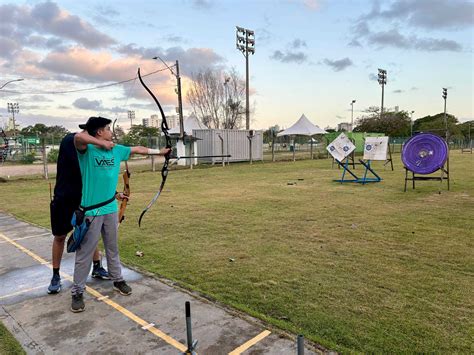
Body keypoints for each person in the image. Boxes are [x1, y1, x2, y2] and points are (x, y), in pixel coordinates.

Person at [71, 116, 170, 312]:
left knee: (112, 247)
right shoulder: (87, 150)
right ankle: (77, 291)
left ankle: (118, 280)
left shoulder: (117, 150)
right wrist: (101, 144)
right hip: (91, 211)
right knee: (85, 253)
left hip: (110, 209)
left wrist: (160, 152)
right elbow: (77, 138)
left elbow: (137, 149)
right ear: (99, 132)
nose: (110, 131)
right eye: (107, 128)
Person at [48, 132, 110, 294]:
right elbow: (78, 138)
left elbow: (98, 178)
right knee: (60, 237)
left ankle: (97, 266)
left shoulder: (90, 151)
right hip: (63, 199)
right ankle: (55, 275)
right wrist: (102, 142)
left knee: (90, 233)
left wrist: (114, 194)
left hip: (84, 200)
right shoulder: (69, 141)